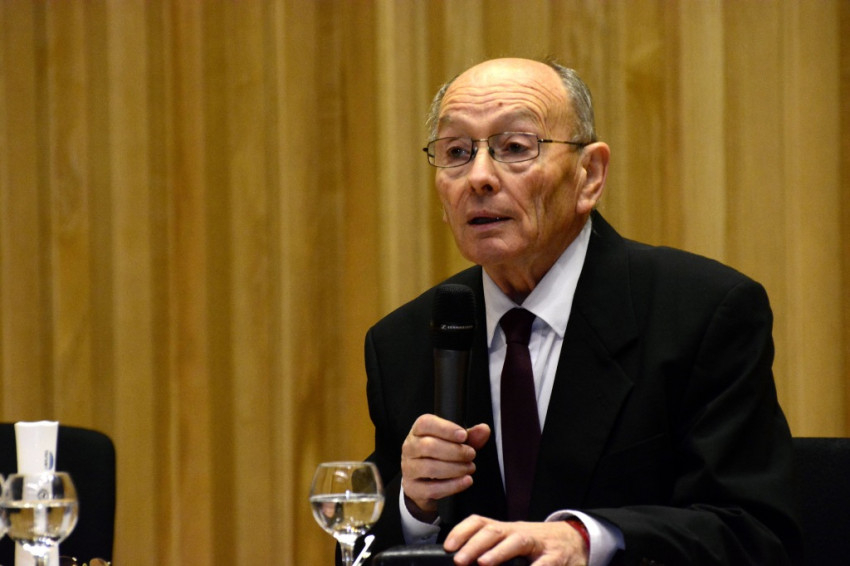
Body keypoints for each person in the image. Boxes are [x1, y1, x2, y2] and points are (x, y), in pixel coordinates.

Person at [362, 57, 801, 565]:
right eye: (457, 152)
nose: (478, 177)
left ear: (589, 175)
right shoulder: (404, 342)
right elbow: (356, 547)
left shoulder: (702, 314)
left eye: (515, 148)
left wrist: (587, 541)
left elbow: (755, 534)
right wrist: (412, 507)